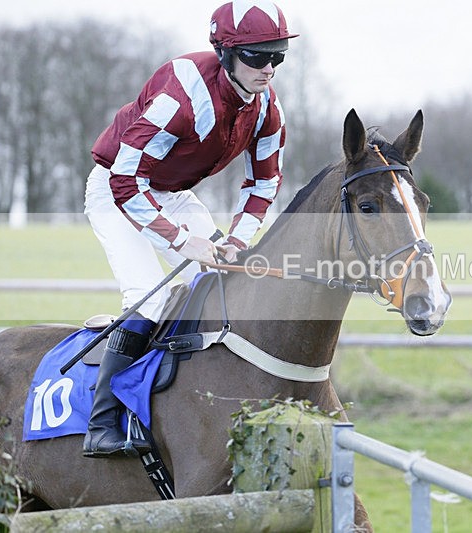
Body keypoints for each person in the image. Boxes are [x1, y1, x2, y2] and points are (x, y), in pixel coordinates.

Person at [82, 0, 298, 458]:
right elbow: (125, 180)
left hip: (172, 190)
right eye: (257, 56)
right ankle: (101, 424)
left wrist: (237, 241)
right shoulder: (183, 95)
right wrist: (183, 241)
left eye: (277, 55)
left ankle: (190, 403)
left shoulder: (267, 109)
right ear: (224, 52)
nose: (269, 68)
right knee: (151, 297)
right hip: (117, 188)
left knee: (218, 286)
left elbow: (265, 181)